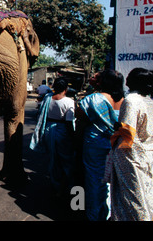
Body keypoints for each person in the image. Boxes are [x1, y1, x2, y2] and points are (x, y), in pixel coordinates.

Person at [76, 69, 124, 221]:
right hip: (116, 144)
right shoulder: (124, 100)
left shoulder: (94, 98)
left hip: (95, 144)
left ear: (102, 82)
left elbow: (79, 115)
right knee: (113, 180)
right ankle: (110, 212)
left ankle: (95, 215)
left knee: (95, 180)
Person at [105, 68, 153, 221]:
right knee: (145, 196)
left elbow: (127, 133)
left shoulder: (132, 100)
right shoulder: (148, 100)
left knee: (130, 198)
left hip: (130, 157)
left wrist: (116, 129)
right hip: (146, 154)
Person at [30, 77, 76, 199]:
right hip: (61, 131)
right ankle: (64, 186)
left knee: (53, 158)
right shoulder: (69, 102)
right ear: (66, 89)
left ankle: (55, 183)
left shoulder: (47, 98)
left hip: (48, 129)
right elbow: (69, 122)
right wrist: (74, 138)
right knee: (66, 160)